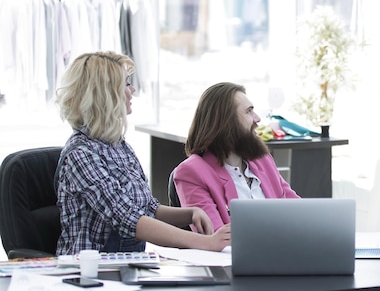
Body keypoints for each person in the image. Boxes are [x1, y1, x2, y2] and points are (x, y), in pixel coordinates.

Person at [54, 51, 230, 255]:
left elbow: (147, 209)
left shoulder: (119, 146)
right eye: (126, 84)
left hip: (125, 262)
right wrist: (206, 242)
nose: (133, 90)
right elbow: (129, 219)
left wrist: (189, 214)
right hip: (91, 270)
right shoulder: (80, 154)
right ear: (105, 94)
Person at [173, 82, 300, 230]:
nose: (257, 118)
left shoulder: (262, 160)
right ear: (225, 122)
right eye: (248, 111)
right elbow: (214, 238)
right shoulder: (191, 172)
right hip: (237, 253)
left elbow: (297, 211)